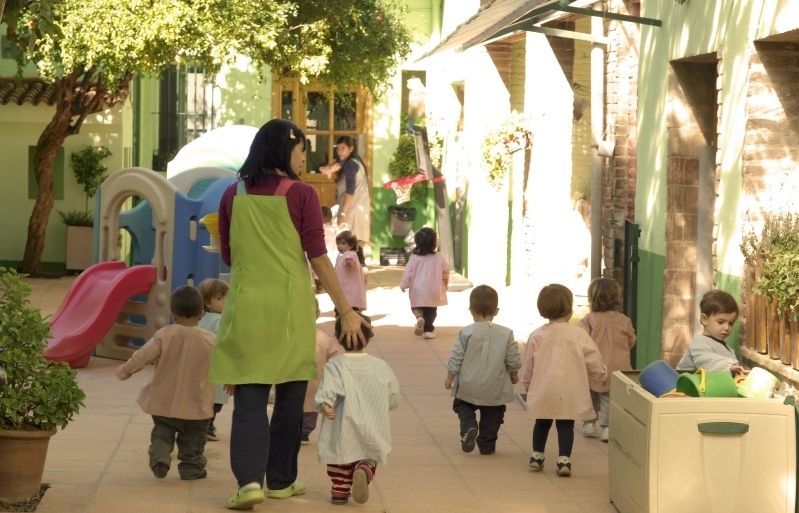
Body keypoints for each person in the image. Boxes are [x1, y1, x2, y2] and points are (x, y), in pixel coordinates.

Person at [209, 119, 371, 511]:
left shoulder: (233, 194)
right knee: (290, 395)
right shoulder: (301, 195)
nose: (304, 160)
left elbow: (229, 255)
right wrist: (345, 310)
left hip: (247, 306)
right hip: (290, 308)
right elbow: (317, 256)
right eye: (300, 152)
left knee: (249, 398)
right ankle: (281, 480)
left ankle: (249, 482)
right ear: (285, 150)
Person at [115, 285, 215, 481]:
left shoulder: (164, 335)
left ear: (172, 313)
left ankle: (160, 456)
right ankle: (190, 467)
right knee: (194, 439)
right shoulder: (211, 340)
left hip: (164, 402)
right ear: (201, 314)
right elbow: (225, 363)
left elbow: (142, 356)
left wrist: (125, 371)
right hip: (197, 403)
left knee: (162, 431)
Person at [520, 284, 606, 477]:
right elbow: (593, 359)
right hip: (569, 390)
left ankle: (537, 455)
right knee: (565, 425)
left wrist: (527, 384)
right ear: (570, 308)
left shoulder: (537, 336)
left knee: (542, 422)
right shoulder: (579, 335)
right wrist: (601, 374)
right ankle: (564, 460)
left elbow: (528, 365)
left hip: (543, 389)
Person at [315, 313, 400, 505]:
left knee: (340, 455)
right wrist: (384, 404)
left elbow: (329, 388)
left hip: (343, 421)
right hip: (372, 420)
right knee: (368, 453)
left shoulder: (336, 365)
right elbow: (393, 394)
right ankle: (364, 469)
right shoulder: (380, 366)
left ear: (338, 337)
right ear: (369, 337)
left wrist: (326, 404)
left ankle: (340, 490)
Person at [444, 285, 521, 455]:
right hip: (495, 386)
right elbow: (513, 357)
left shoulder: (466, 332)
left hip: (469, 385)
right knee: (494, 414)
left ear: (471, 310)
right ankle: (487, 443)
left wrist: (450, 376)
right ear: (497, 311)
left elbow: (456, 356)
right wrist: (514, 373)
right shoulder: (506, 333)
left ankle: (469, 425)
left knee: (462, 404)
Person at [578, 278, 636, 442]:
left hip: (593, 366)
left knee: (589, 394)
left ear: (592, 298)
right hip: (618, 366)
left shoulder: (588, 320)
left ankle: (589, 423)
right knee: (610, 398)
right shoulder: (624, 320)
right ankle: (608, 428)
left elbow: (581, 341)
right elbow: (631, 340)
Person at [320, 135, 371, 253]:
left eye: (343, 148)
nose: (339, 151)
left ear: (351, 149)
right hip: (358, 207)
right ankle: (359, 266)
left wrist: (343, 212)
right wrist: (330, 169)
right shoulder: (349, 163)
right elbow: (326, 172)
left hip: (352, 208)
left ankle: (355, 267)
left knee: (348, 242)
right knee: (355, 243)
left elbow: (350, 190)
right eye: (338, 148)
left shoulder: (350, 165)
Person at [302, 298, 343, 444]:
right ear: (317, 313)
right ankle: (305, 432)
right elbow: (334, 358)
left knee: (294, 407)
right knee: (311, 409)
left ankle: (296, 431)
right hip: (316, 381)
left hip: (294, 379)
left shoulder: (290, 337)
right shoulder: (324, 338)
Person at [676, 289, 744, 375]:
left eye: (731, 323)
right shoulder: (699, 344)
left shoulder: (720, 344)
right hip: (687, 386)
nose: (727, 327)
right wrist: (729, 366)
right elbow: (706, 361)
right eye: (721, 322)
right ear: (704, 319)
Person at [399, 227, 450, 339]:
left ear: (417, 242)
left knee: (416, 306)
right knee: (431, 310)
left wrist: (404, 285)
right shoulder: (439, 257)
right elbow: (446, 270)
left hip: (417, 289)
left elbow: (408, 272)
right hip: (433, 289)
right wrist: (445, 283)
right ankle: (428, 330)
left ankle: (419, 318)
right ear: (434, 242)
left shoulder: (414, 257)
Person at [198, 278, 230, 442]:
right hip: (215, 368)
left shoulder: (201, 320)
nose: (224, 302)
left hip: (203, 368)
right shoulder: (219, 321)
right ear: (207, 302)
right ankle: (207, 425)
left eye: (226, 298)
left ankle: (205, 425)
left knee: (208, 399)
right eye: (219, 298)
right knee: (215, 401)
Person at [335, 230, 367, 312]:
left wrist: (349, 262)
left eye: (343, 243)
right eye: (338, 243)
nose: (339, 246)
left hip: (350, 295)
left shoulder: (350, 254)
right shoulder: (341, 256)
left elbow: (350, 261)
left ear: (351, 245)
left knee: (349, 314)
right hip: (346, 293)